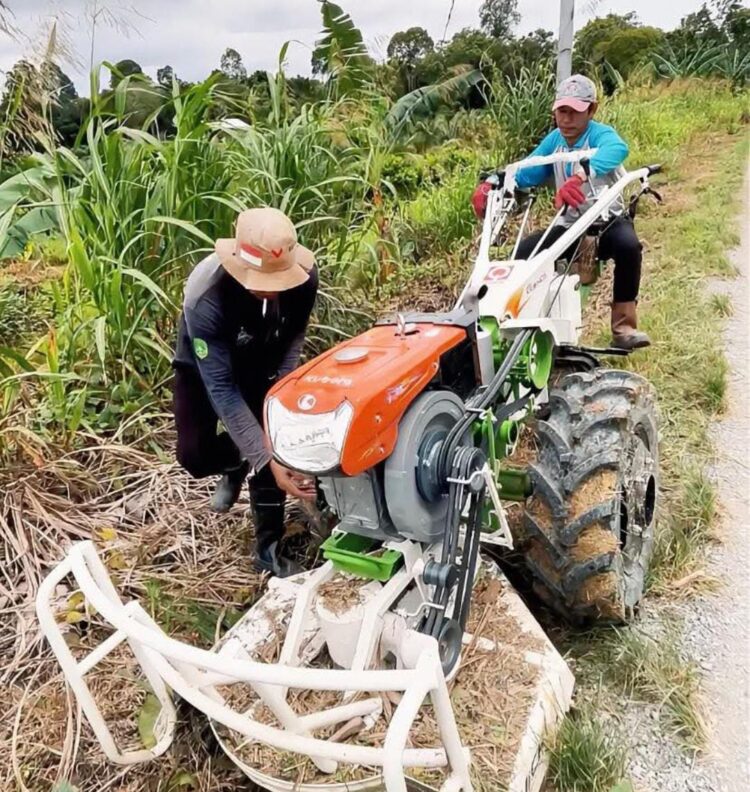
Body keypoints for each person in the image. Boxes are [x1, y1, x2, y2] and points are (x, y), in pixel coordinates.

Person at [172, 207, 318, 577]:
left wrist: (277, 415)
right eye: (263, 280)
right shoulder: (206, 296)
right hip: (206, 364)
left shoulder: (304, 278)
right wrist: (262, 454)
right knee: (194, 454)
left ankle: (267, 548)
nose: (273, 288)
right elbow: (220, 387)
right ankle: (237, 462)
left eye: (280, 279)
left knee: (273, 439)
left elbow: (291, 346)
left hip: (262, 353)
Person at [472, 74, 651, 350]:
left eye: (574, 112)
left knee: (629, 248)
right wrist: (495, 182)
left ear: (592, 110)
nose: (566, 120)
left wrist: (580, 176)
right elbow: (530, 168)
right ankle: (518, 329)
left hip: (607, 222)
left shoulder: (600, 134)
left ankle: (623, 328)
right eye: (561, 111)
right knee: (523, 255)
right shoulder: (554, 140)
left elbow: (618, 149)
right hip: (570, 226)